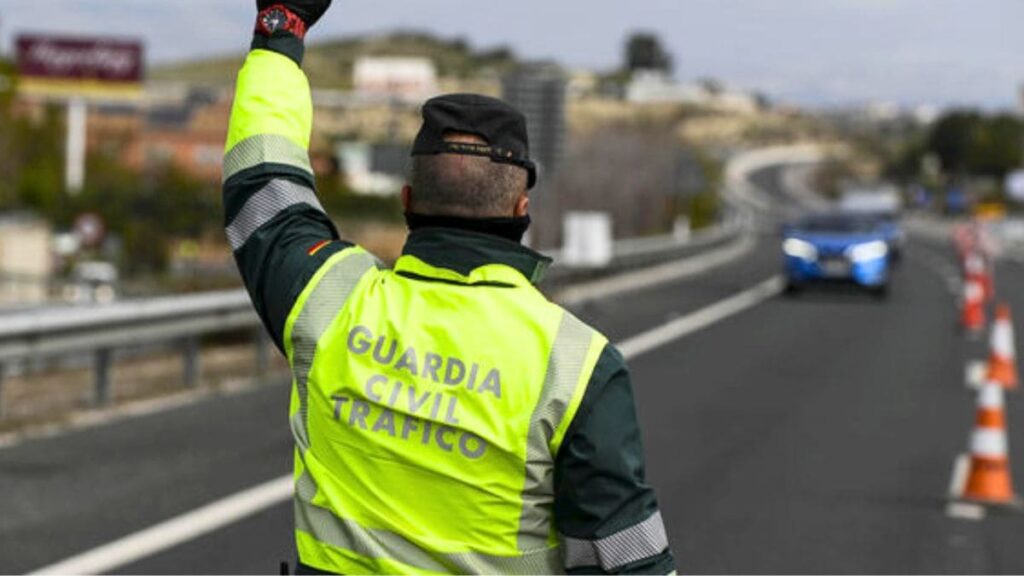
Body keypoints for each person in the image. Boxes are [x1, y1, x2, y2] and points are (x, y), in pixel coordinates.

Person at [224, 1, 675, 573]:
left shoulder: (328, 301)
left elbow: (262, 183)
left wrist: (279, 29)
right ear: (521, 208)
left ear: (408, 201)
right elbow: (628, 560)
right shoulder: (577, 365)